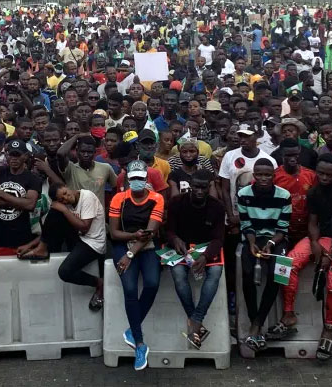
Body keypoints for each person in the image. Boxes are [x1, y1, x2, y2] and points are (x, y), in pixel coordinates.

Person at [267, 154, 332, 360]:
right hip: (320, 238)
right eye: (321, 173)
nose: (324, 177)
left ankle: (329, 328)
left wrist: (331, 255)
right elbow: (313, 222)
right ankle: (288, 315)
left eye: (329, 174)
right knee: (285, 264)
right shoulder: (314, 192)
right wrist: (315, 243)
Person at [108, 160, 164, 371]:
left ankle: (132, 329)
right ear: (127, 181)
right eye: (134, 179)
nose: (137, 182)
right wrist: (132, 237)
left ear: (147, 179)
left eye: (141, 178)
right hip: (123, 244)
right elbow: (114, 233)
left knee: (152, 283)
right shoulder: (118, 199)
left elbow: (150, 233)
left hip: (145, 246)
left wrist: (131, 253)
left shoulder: (156, 199)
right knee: (130, 289)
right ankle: (139, 343)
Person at [165, 169, 225, 349]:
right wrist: (175, 239)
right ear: (190, 186)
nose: (199, 191)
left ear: (209, 187)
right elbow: (168, 230)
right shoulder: (176, 203)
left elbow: (219, 238)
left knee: (215, 272)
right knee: (177, 274)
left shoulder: (217, 207)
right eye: (196, 187)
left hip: (206, 247)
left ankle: (195, 320)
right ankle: (196, 321)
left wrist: (206, 257)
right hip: (182, 247)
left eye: (203, 187)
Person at [238, 158, 291, 352]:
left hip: (276, 239)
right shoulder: (243, 194)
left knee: (277, 275)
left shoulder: (284, 195)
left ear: (274, 176)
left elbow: (283, 228)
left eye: (267, 175)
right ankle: (255, 320)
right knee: (247, 273)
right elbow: (246, 225)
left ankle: (257, 323)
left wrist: (270, 244)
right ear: (254, 176)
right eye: (259, 174)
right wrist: (252, 243)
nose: (263, 178)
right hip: (253, 238)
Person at [0, 138, 42, 257]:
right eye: (11, 154)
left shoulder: (32, 178)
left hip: (22, 239)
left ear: (25, 156)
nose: (14, 158)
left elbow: (30, 205)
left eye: (17, 155)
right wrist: (19, 202)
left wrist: (1, 194)